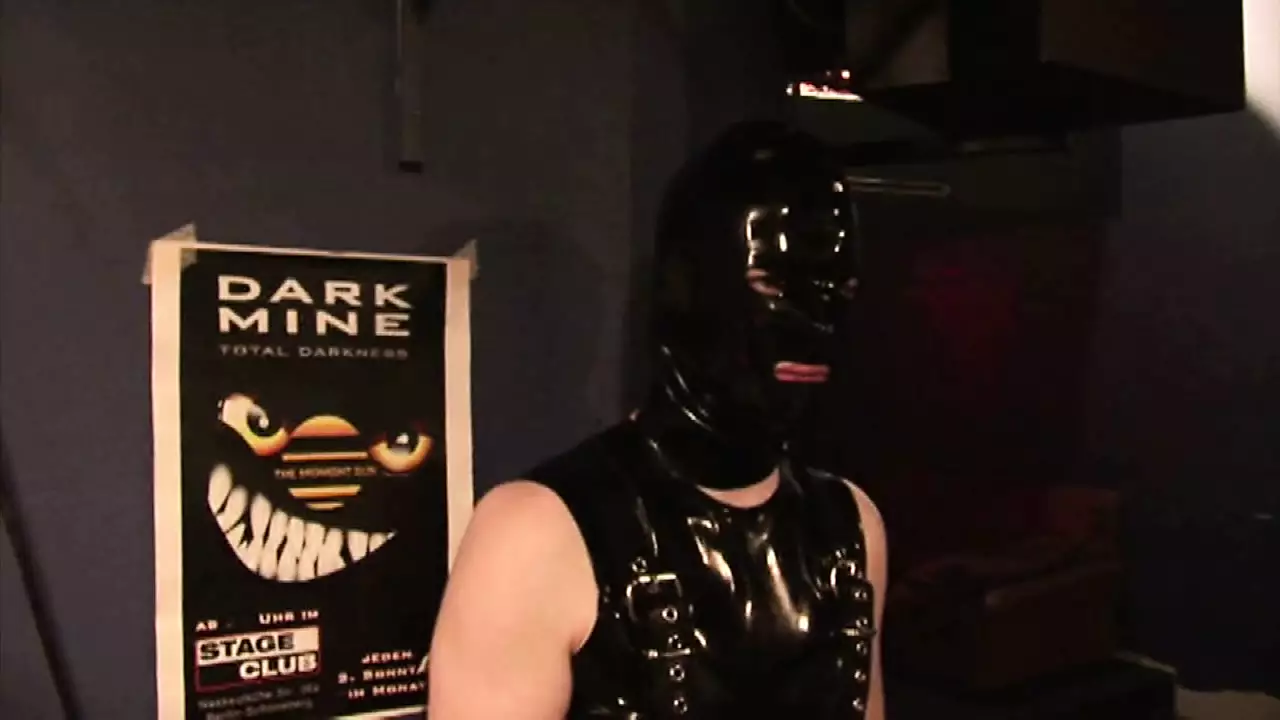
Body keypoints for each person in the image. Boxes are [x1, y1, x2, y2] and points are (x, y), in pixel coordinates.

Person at [428, 120, 887, 719]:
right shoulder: (537, 537)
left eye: (838, 291)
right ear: (683, 287)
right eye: (772, 283)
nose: (816, 322)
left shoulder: (850, 525)